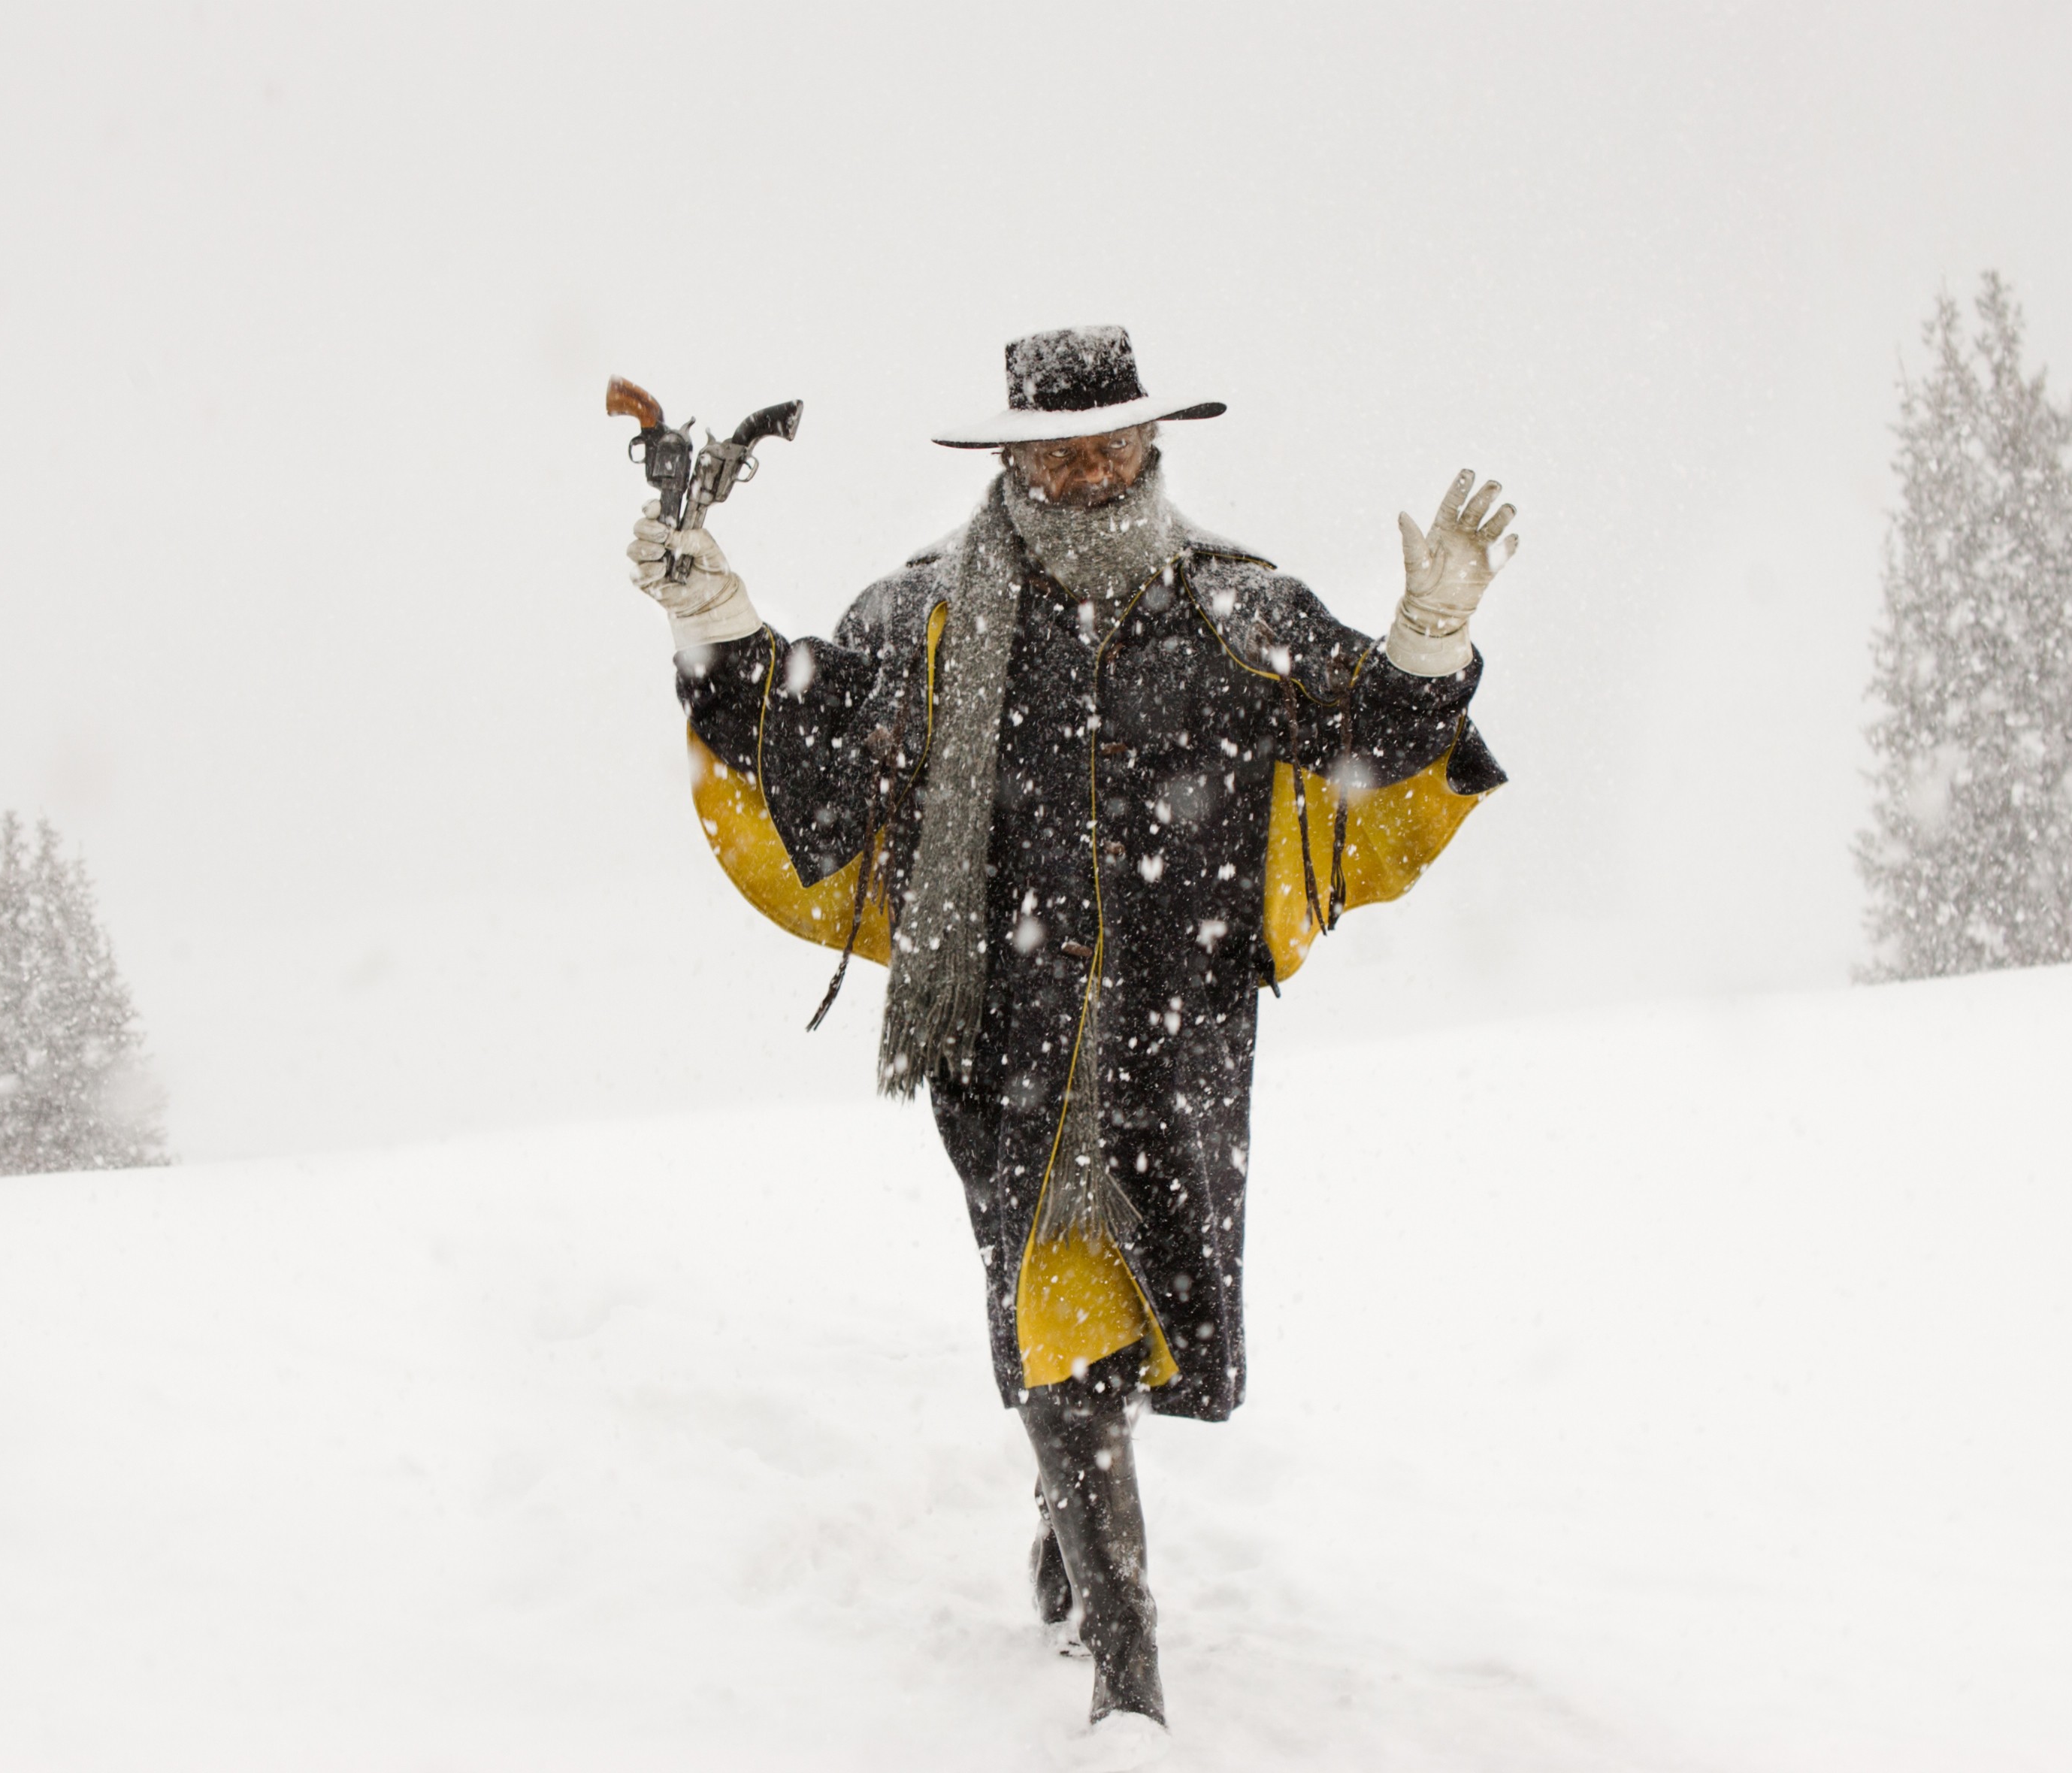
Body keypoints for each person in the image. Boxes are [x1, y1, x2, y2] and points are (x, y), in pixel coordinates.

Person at [627, 326, 1514, 1757]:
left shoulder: (1233, 609)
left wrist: (1432, 635)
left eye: (1109, 445)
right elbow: (811, 757)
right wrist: (715, 621)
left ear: (1153, 448)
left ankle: (1069, 1512)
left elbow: (1374, 740)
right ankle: (1128, 1660)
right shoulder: (921, 618)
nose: (1085, 471)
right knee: (1060, 1322)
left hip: (1182, 1037)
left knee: (1146, 1315)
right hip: (1006, 1040)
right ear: (1012, 460)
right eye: (1055, 450)